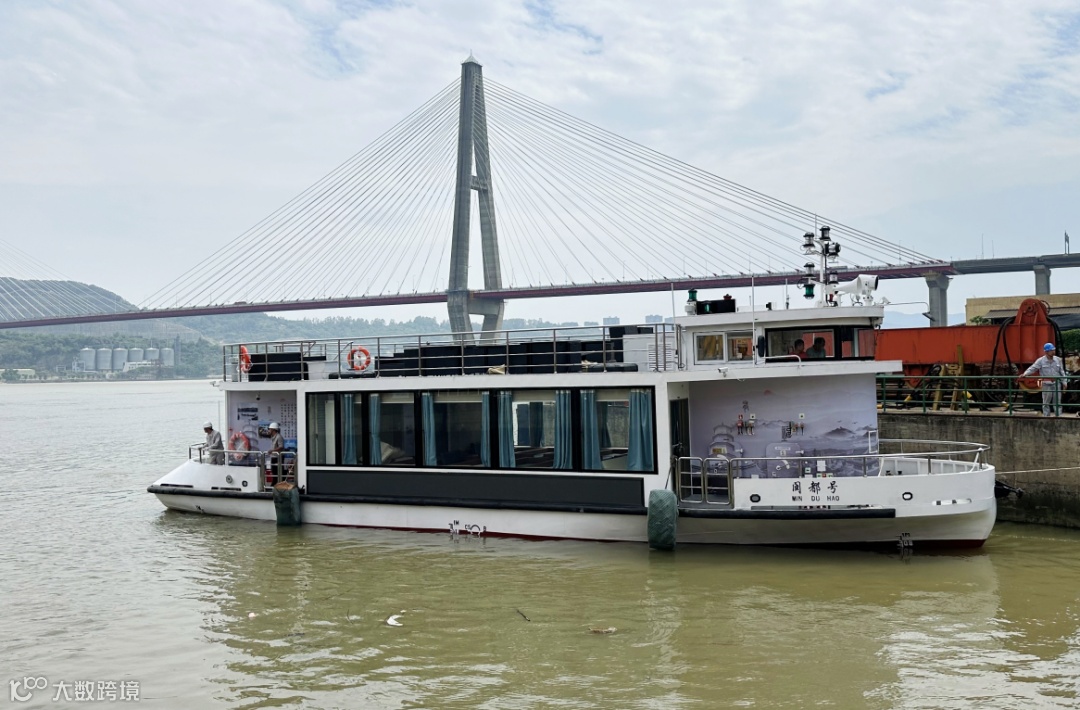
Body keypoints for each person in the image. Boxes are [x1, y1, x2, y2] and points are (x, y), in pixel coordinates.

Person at [1023, 343, 1067, 416]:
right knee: (1046, 402)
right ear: (1046, 352)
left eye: (1053, 350)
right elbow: (1033, 368)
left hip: (1056, 383)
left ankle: (1058, 416)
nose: (1053, 352)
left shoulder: (1058, 360)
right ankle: (1046, 417)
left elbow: (1061, 371)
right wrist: (1025, 374)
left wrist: (1064, 382)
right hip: (1046, 384)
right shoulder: (1040, 361)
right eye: (1051, 350)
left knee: (1057, 402)